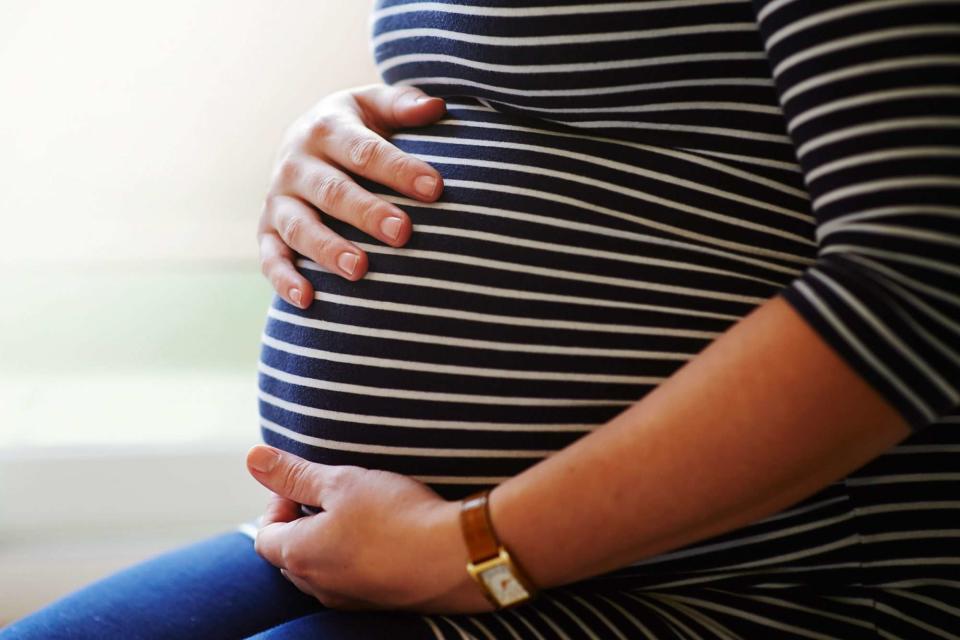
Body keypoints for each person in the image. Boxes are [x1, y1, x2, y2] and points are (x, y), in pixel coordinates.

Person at [4, 0, 958, 638]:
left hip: (769, 583)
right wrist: (337, 141)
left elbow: (921, 271)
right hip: (426, 550)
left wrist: (477, 554)